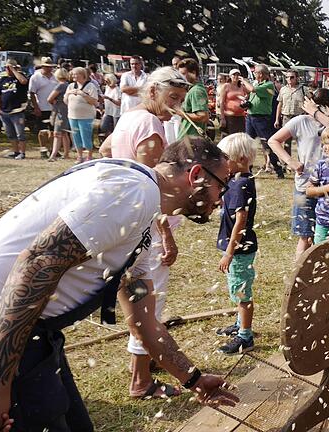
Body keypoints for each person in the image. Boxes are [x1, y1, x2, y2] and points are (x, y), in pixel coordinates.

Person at [0, 137, 239, 431]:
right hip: (5, 325)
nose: (221, 199)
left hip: (28, 329)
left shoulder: (143, 227)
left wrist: (193, 379)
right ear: (196, 175)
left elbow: (144, 323)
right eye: (222, 185)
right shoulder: (133, 192)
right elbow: (35, 265)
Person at [102, 67, 190, 399]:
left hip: (129, 219)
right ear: (152, 91)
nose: (176, 107)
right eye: (172, 99)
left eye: (181, 100)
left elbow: (106, 150)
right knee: (148, 302)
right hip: (147, 227)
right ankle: (140, 381)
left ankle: (145, 359)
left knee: (141, 296)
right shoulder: (152, 128)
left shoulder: (129, 117)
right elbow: (153, 186)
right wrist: (166, 233)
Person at [268, 89, 329, 260]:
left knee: (328, 236)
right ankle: (299, 276)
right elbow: (274, 140)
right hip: (304, 187)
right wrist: (290, 161)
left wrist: (315, 112)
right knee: (305, 236)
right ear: (326, 107)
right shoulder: (300, 122)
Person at [215, 133, 259, 354]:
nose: (223, 163)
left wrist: (229, 252)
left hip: (240, 250)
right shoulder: (235, 181)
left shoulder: (241, 185)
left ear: (240, 158)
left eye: (226, 158)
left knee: (242, 292)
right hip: (238, 248)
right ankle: (239, 322)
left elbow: (240, 220)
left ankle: (245, 336)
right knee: (236, 287)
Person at [245, 64, 283, 178]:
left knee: (268, 144)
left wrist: (243, 80)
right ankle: (248, 169)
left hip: (261, 119)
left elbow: (252, 89)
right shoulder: (257, 83)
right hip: (251, 116)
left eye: (255, 72)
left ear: (261, 74)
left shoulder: (269, 85)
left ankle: (278, 169)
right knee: (249, 144)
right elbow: (253, 94)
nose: (255, 74)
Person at [64, 67, 99, 163]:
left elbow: (94, 102)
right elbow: (65, 100)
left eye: (76, 74)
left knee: (86, 136)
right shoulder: (70, 86)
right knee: (76, 136)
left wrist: (83, 94)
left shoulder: (90, 86)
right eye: (73, 74)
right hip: (72, 115)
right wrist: (68, 94)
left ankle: (89, 156)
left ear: (83, 75)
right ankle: (80, 156)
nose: (74, 76)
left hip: (86, 116)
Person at [0, 59, 29, 159]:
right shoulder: (3, 79)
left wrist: (14, 70)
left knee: (20, 133)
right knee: (10, 134)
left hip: (17, 111)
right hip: (4, 111)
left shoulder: (20, 77)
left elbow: (24, 82)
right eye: (6, 67)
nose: (7, 69)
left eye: (9, 67)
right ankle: (16, 152)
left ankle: (22, 153)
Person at [275, 69, 308, 157]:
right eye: (287, 77)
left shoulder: (303, 89)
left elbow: (309, 102)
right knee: (286, 141)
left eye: (292, 77)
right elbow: (280, 104)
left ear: (297, 78)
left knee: (301, 140)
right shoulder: (283, 89)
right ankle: (287, 162)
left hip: (299, 117)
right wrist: (277, 120)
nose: (289, 79)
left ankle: (301, 160)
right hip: (286, 117)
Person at [28, 57, 58, 150]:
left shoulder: (55, 77)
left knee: (53, 131)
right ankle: (43, 149)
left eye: (50, 67)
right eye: (46, 66)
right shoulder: (35, 77)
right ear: (42, 66)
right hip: (41, 107)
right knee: (42, 131)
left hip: (54, 108)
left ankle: (52, 149)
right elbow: (32, 93)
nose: (49, 68)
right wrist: (36, 107)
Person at [176, 58, 210, 141]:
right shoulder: (191, 89)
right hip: (187, 139)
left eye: (183, 74)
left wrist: (181, 113)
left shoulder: (196, 91)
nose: (181, 77)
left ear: (193, 73)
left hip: (192, 140)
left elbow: (203, 116)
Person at [46, 68, 72, 161]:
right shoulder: (69, 85)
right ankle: (66, 154)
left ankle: (53, 155)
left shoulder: (60, 86)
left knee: (57, 133)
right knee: (64, 133)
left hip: (60, 111)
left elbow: (49, 98)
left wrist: (54, 103)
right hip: (67, 110)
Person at [219, 69, 247, 135]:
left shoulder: (242, 86)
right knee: (229, 137)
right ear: (230, 76)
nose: (236, 76)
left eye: (238, 75)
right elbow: (221, 102)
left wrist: (245, 100)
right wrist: (222, 118)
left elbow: (251, 91)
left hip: (241, 116)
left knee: (240, 138)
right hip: (229, 117)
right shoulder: (226, 86)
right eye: (234, 75)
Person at [99, 73, 121, 139]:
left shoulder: (117, 90)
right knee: (103, 126)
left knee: (116, 129)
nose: (105, 82)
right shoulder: (107, 88)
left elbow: (119, 103)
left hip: (116, 112)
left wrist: (109, 98)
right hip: (108, 111)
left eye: (106, 81)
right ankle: (109, 137)